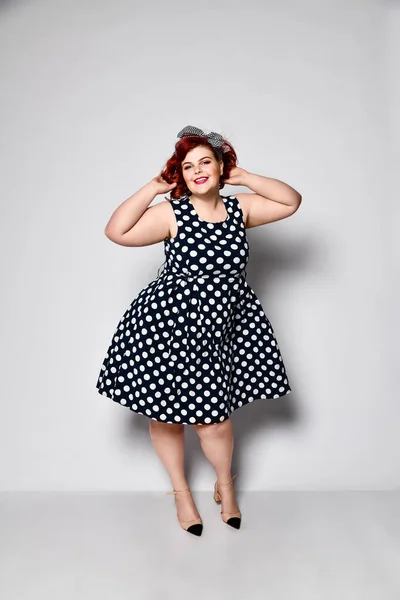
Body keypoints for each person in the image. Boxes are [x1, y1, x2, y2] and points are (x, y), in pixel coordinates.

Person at [96, 125, 302, 536]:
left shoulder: (240, 208)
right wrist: (152, 187)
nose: (197, 171)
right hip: (166, 328)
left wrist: (241, 177)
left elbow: (290, 201)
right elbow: (116, 231)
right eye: (188, 166)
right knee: (165, 414)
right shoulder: (172, 212)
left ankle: (224, 486)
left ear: (219, 166)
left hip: (224, 327)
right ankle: (182, 494)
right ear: (181, 175)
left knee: (215, 421)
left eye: (205, 161)